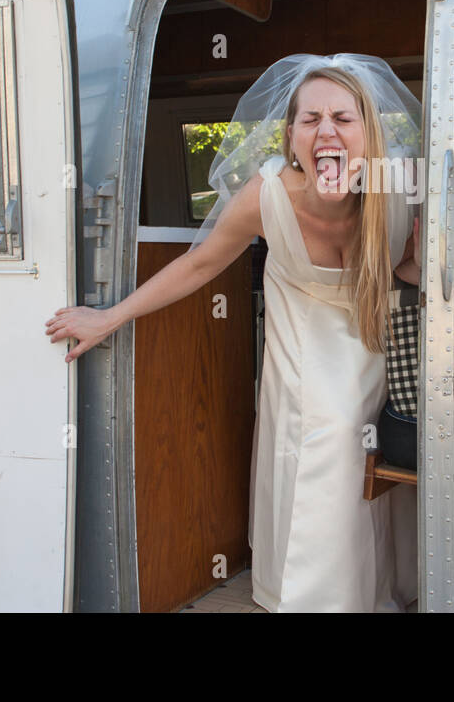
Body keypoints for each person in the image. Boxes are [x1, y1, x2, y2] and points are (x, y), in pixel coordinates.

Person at [45, 53, 422, 612]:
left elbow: (401, 270)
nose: (326, 131)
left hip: (374, 351)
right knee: (330, 444)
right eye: (310, 119)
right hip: (302, 356)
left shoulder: (396, 193)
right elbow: (198, 266)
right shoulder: (264, 196)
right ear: (291, 135)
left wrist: (416, 268)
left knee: (376, 461)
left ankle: (374, 591)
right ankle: (318, 599)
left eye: (343, 118)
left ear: (368, 130)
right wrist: (110, 316)